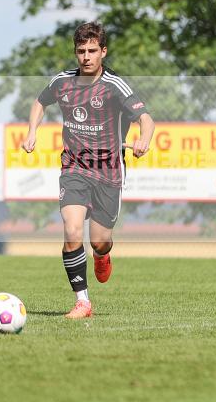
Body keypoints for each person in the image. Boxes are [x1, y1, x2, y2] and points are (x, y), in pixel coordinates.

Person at [22, 22, 154, 319]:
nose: (86, 57)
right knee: (71, 230)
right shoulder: (63, 82)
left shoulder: (114, 86)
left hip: (108, 171)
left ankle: (102, 254)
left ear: (103, 52)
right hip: (74, 167)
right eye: (81, 51)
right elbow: (40, 102)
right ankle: (83, 302)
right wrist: (32, 131)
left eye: (92, 51)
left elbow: (146, 119)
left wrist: (144, 139)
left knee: (98, 240)